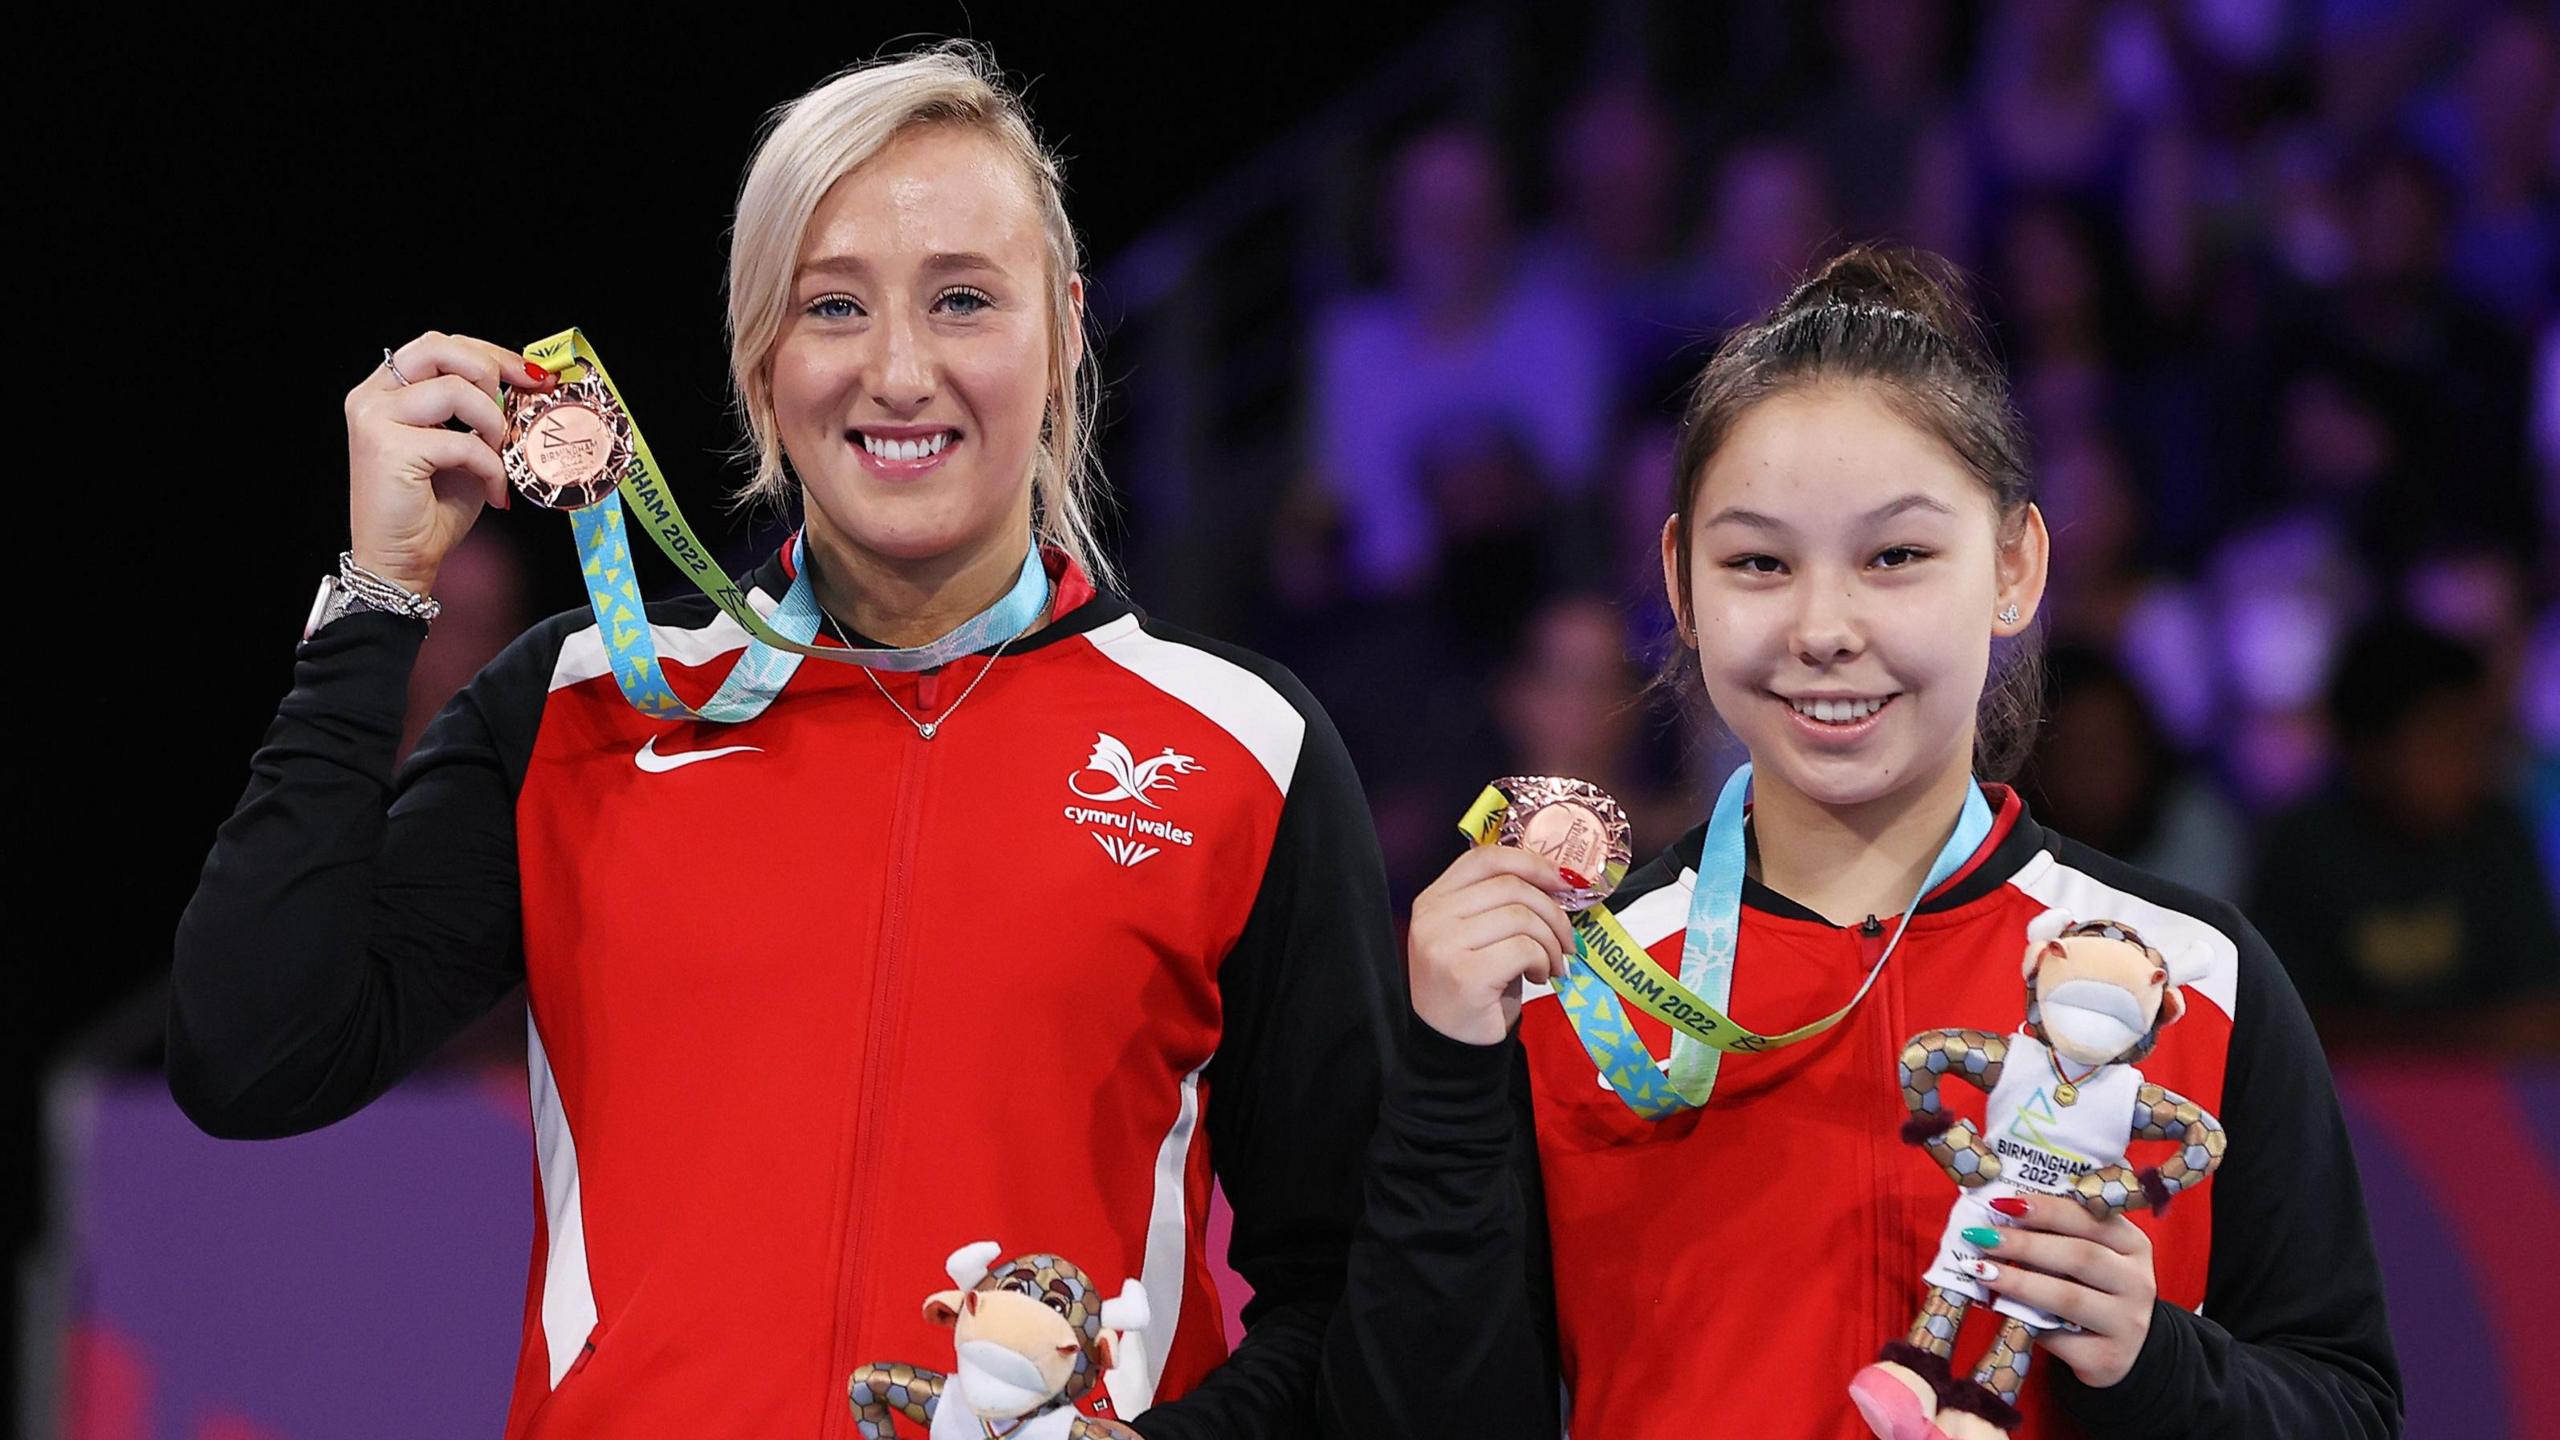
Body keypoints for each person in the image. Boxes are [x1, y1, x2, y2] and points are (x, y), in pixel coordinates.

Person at [169, 43, 1397, 1439]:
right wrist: (380, 598)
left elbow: (1351, 1290)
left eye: (962, 300)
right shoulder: (575, 708)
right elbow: (252, 1053)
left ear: (1060, 332)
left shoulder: (1245, 750)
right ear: (759, 360)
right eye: (832, 306)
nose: (898, 370)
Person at [1323, 247, 2402, 1437]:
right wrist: (1444, 1077)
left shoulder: (2190, 977)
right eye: (1757, 564)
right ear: (1679, 584)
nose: (1824, 627)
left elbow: (2345, 1406)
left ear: (2015, 566)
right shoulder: (1570, 991)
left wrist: (2155, 1359)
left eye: (1894, 556)